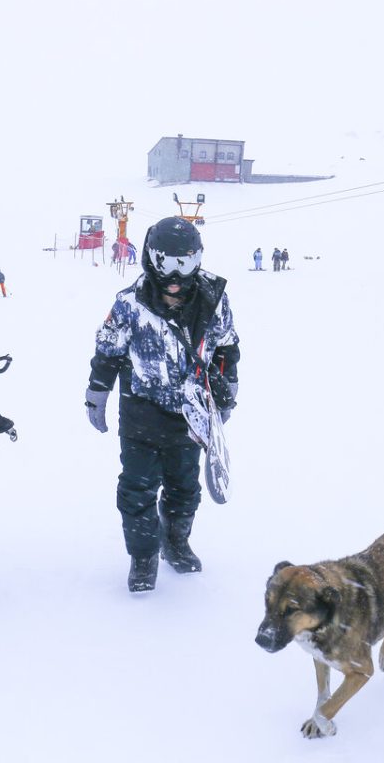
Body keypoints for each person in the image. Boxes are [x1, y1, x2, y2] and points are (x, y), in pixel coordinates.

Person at [85, 216, 240, 592]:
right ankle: (143, 556)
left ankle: (176, 542)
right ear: (151, 260)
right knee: (137, 489)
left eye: (185, 262)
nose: (176, 274)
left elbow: (227, 346)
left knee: (184, 486)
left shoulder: (212, 300)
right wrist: (97, 392)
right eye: (166, 262)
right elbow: (107, 351)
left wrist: (228, 387)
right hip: (141, 410)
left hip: (190, 413)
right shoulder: (129, 305)